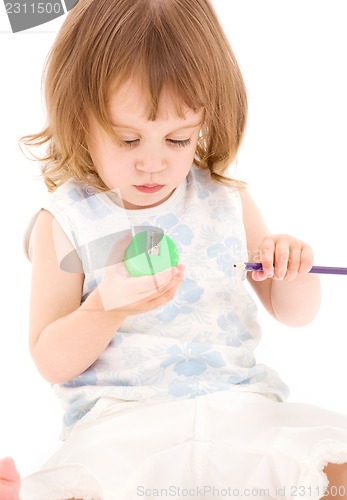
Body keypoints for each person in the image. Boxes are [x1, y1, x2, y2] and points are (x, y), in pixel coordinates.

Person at [2, 0, 347, 498]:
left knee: (326, 465)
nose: (153, 163)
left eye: (178, 139)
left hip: (240, 412)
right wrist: (104, 307)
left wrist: (292, 269)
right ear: (80, 120)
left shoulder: (226, 199)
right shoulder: (66, 221)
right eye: (128, 139)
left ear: (205, 120)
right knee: (87, 485)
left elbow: (293, 313)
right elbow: (51, 359)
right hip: (124, 425)